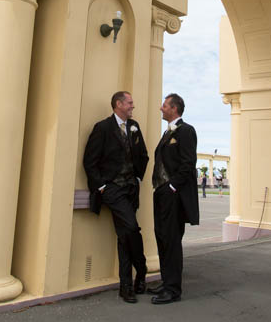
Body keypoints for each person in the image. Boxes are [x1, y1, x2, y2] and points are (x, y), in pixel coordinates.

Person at [82, 91, 149, 303]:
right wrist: (101, 186)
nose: (133, 106)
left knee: (124, 236)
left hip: (131, 188)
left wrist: (138, 178)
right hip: (112, 189)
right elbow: (89, 161)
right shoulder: (102, 128)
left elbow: (144, 155)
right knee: (130, 227)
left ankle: (126, 286)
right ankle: (142, 267)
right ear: (118, 104)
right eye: (130, 102)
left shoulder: (134, 126)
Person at [148, 93, 199, 304]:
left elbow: (188, 163)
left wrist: (171, 186)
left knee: (172, 241)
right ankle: (166, 281)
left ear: (174, 108)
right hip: (161, 193)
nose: (161, 108)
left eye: (164, 105)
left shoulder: (186, 131)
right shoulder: (167, 133)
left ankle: (173, 290)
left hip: (173, 195)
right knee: (162, 238)